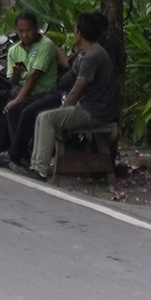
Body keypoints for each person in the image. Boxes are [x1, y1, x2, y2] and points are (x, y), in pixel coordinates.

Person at [29, 9, 119, 181]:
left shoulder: (93, 56)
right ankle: (35, 165)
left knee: (48, 118)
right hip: (91, 108)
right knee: (42, 117)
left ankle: (40, 169)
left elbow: (77, 89)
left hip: (94, 112)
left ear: (79, 32)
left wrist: (64, 110)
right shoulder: (90, 53)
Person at [0, 9, 56, 163]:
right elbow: (12, 81)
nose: (24, 35)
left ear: (35, 29)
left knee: (14, 109)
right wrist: (15, 73)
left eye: (28, 30)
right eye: (21, 31)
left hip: (40, 94)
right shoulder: (14, 50)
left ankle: (16, 156)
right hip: (17, 90)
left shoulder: (45, 45)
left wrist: (17, 100)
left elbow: (34, 76)